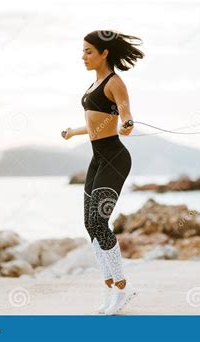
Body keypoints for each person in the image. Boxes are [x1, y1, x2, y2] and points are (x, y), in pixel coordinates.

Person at [61, 30, 144, 315]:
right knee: (90, 224)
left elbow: (125, 113)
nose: (83, 56)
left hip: (115, 159)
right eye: (83, 51)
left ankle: (122, 287)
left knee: (99, 221)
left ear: (104, 53)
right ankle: (110, 287)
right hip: (97, 159)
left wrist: (129, 123)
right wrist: (74, 131)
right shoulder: (93, 84)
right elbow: (98, 122)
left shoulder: (114, 82)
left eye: (88, 51)